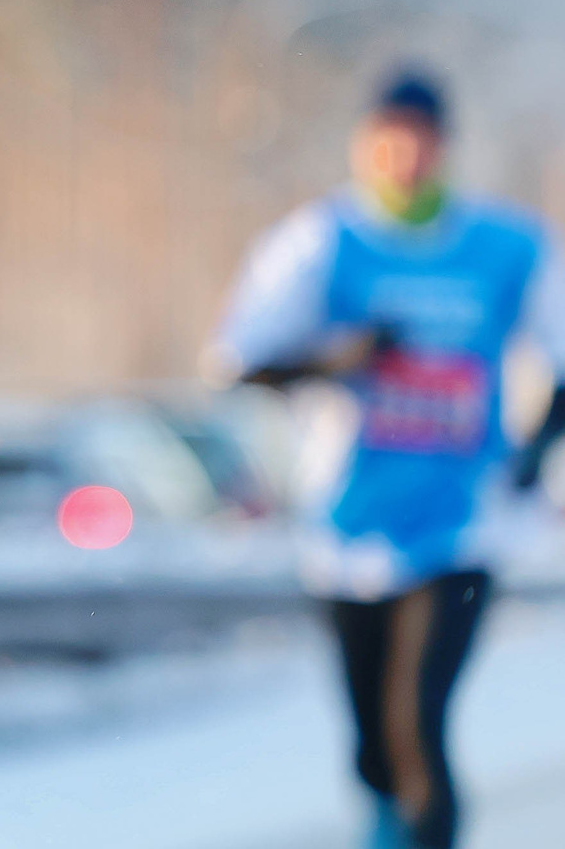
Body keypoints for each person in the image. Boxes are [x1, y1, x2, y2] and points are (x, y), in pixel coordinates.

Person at [206, 69, 565, 849]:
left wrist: (536, 450)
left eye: (419, 138)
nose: (403, 155)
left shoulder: (506, 244)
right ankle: (385, 830)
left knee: (418, 728)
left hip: (462, 524)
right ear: (363, 145)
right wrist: (340, 359)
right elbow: (238, 359)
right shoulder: (320, 241)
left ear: (443, 145)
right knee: (372, 744)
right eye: (386, 139)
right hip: (347, 527)